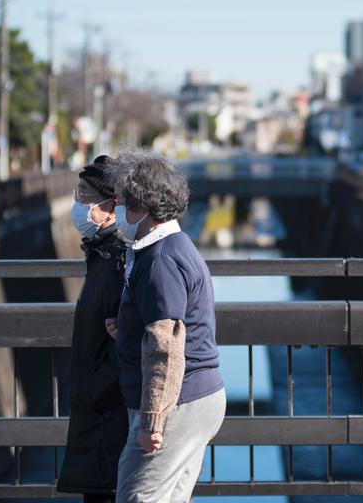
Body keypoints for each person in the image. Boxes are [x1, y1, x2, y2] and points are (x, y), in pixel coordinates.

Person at [108, 153, 226, 502]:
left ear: (143, 205)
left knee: (137, 497)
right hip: (199, 397)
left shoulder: (160, 259)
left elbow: (166, 345)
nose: (115, 209)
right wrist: (127, 326)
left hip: (178, 402)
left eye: (120, 201)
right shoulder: (177, 246)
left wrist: (152, 419)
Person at [57, 155, 129, 503]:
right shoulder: (102, 255)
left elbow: (128, 340)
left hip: (107, 414)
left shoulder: (116, 261)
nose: (77, 203)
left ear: (111, 207)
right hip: (99, 410)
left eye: (84, 196)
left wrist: (92, 389)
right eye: (78, 193)